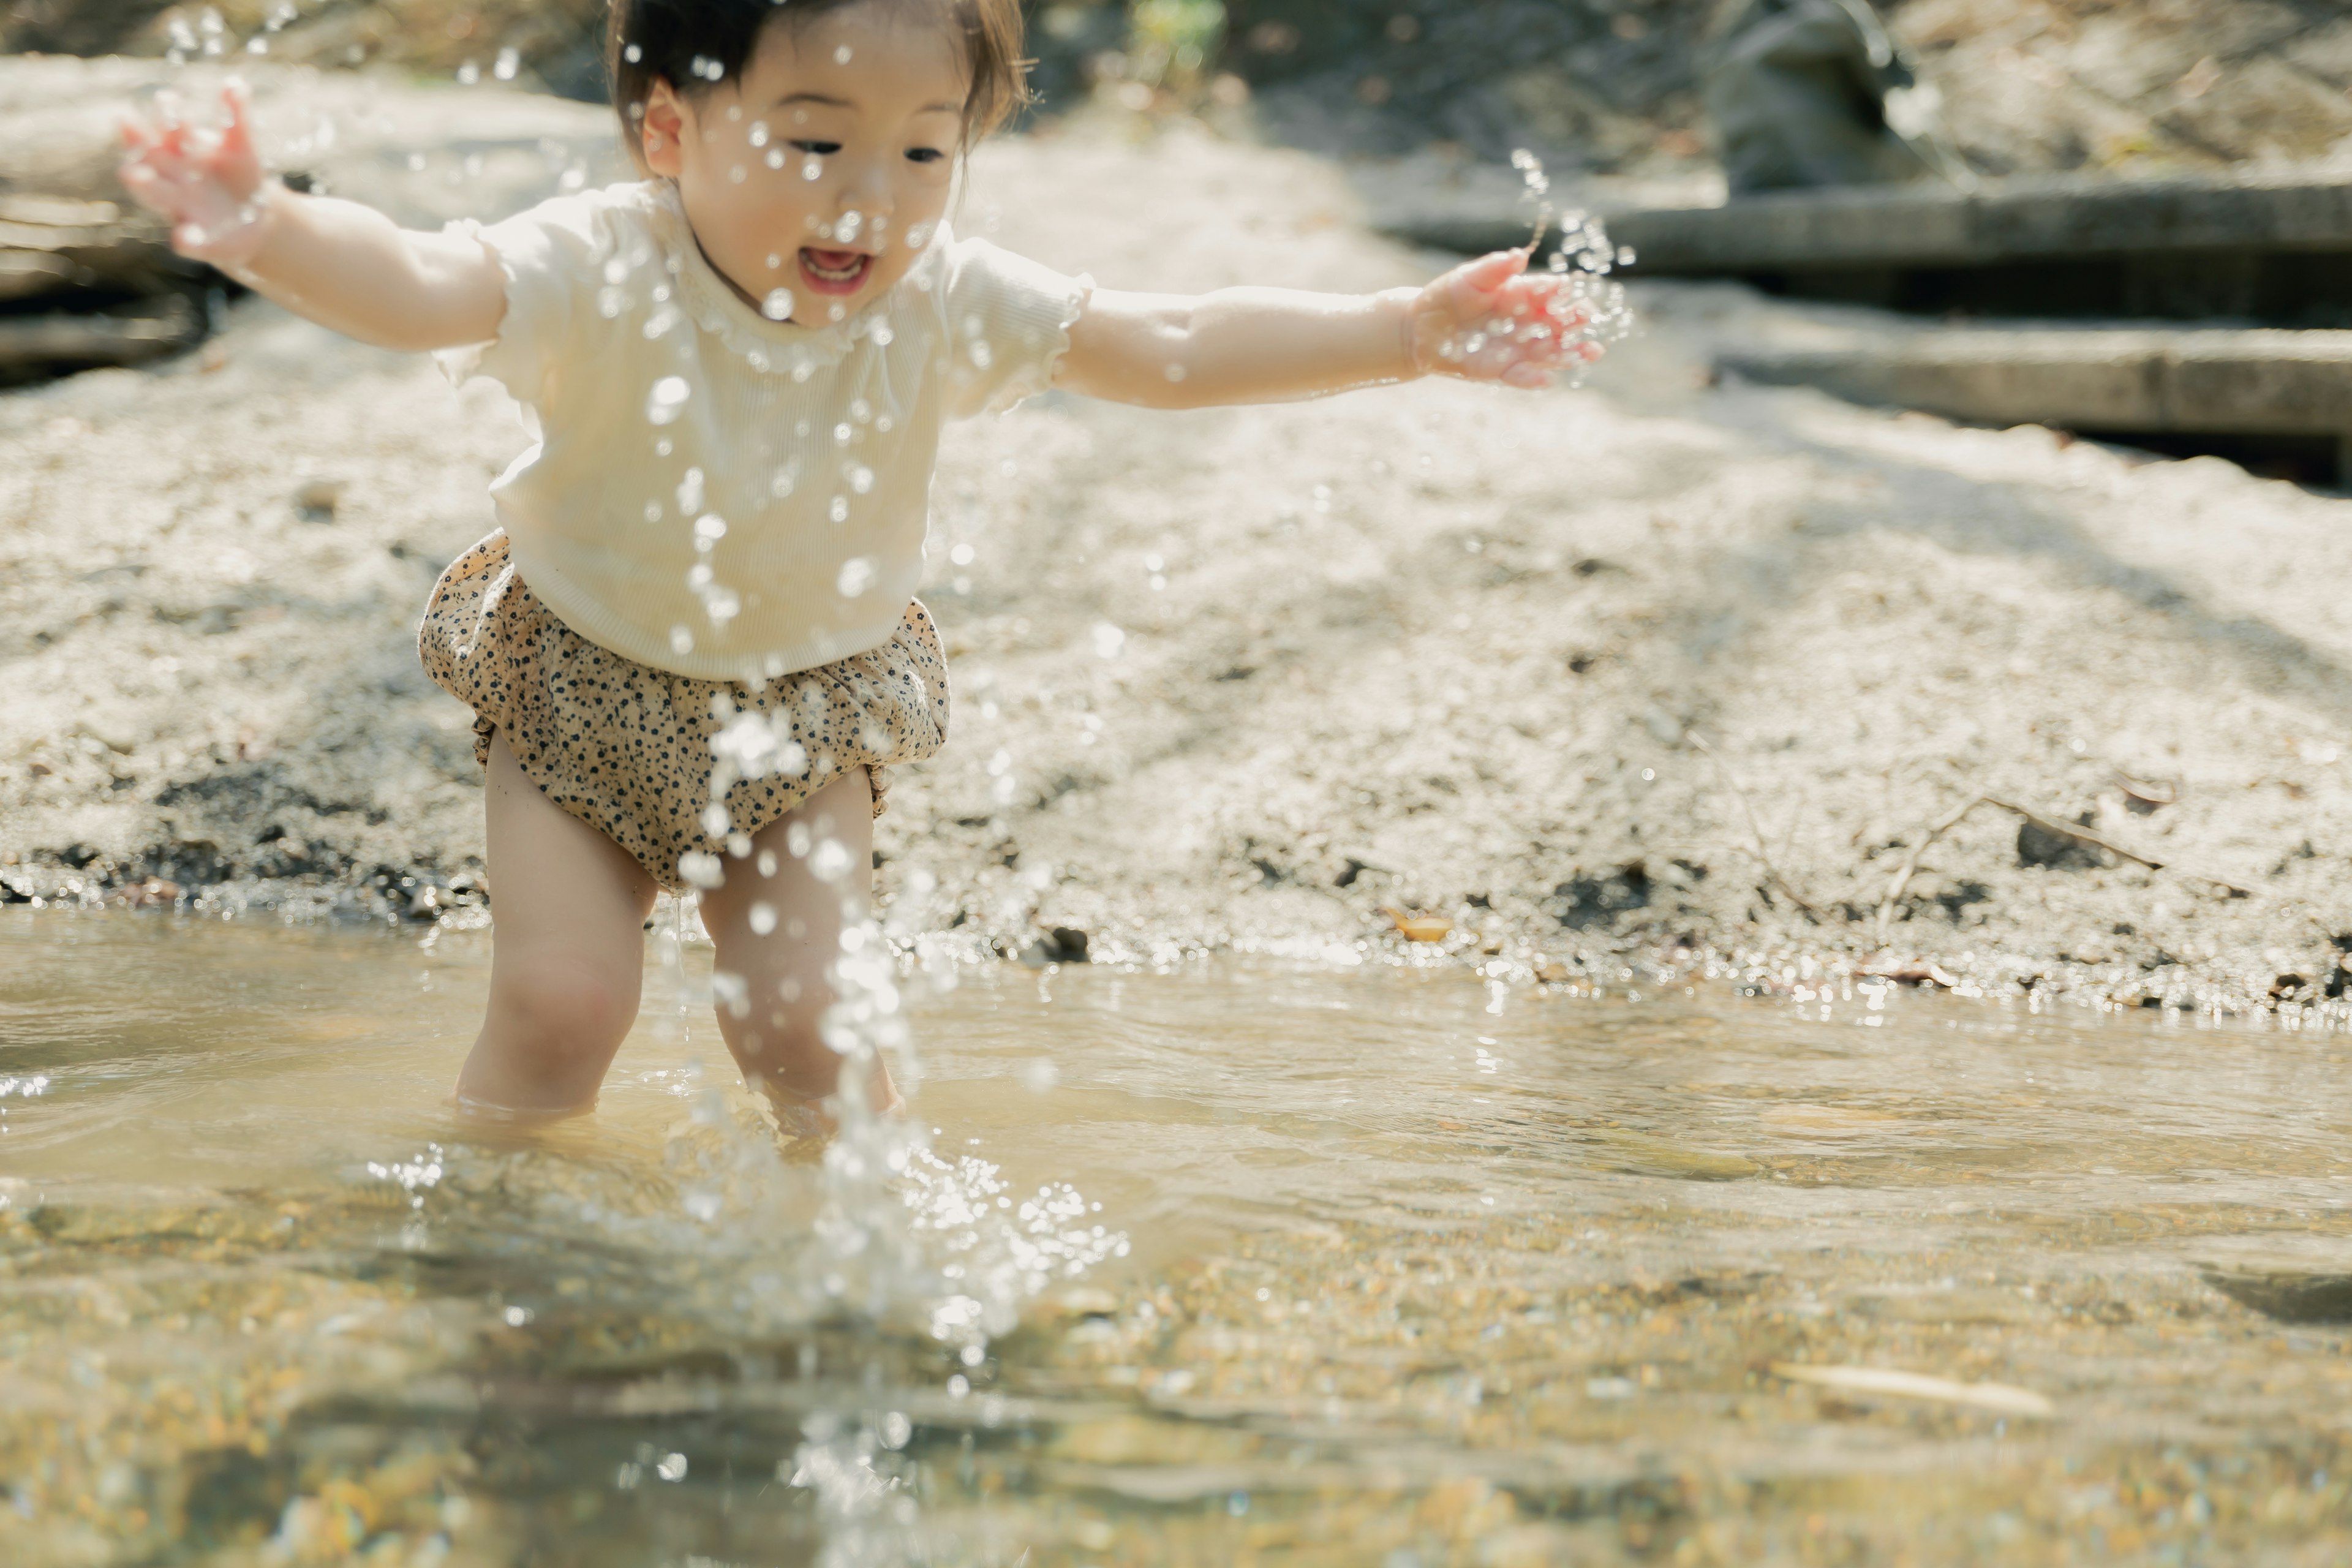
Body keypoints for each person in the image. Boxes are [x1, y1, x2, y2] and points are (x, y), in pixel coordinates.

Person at [116, 0, 1600, 1132]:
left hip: (803, 712)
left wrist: (1401, 333)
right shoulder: (596, 263)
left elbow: (1172, 341)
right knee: (563, 1001)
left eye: (923, 152)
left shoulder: (944, 297)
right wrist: (269, 225)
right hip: (577, 682)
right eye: (814, 140)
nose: (870, 199)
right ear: (667, 131)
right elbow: (425, 288)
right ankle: (503, 1232)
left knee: (809, 1026)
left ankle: (860, 1243)